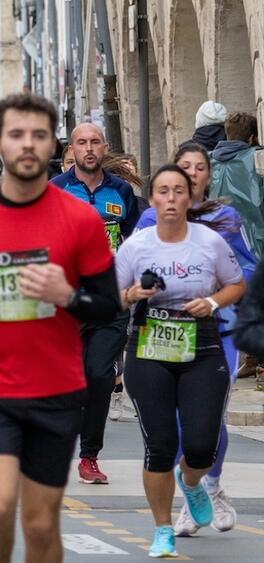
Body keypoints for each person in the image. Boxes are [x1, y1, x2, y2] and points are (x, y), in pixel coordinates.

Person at [0, 94, 119, 563]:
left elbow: (108, 306)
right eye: (17, 135)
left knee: (38, 524)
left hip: (55, 391)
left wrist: (68, 296)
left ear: (57, 146)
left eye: (38, 135)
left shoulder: (80, 219)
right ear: (0, 144)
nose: (27, 145)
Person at [116, 163, 245, 557]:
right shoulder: (136, 245)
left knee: (202, 445)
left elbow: (236, 284)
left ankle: (190, 483)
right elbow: (113, 296)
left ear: (189, 198)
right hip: (149, 345)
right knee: (159, 444)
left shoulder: (208, 241)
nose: (171, 199)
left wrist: (211, 301)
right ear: (152, 199)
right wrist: (134, 295)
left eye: (178, 191)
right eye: (163, 192)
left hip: (201, 346)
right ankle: (162, 529)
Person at [50, 123, 139, 485]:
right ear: (72, 149)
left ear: (105, 148)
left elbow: (134, 241)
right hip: (66, 302)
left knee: (100, 376)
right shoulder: (55, 191)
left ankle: (89, 455)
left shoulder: (121, 192)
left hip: (110, 301)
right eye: (81, 142)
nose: (88, 148)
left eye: (94, 143)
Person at [211, 111, 264, 259]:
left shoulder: (208, 162)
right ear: (252, 137)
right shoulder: (255, 159)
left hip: (220, 245)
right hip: (255, 247)